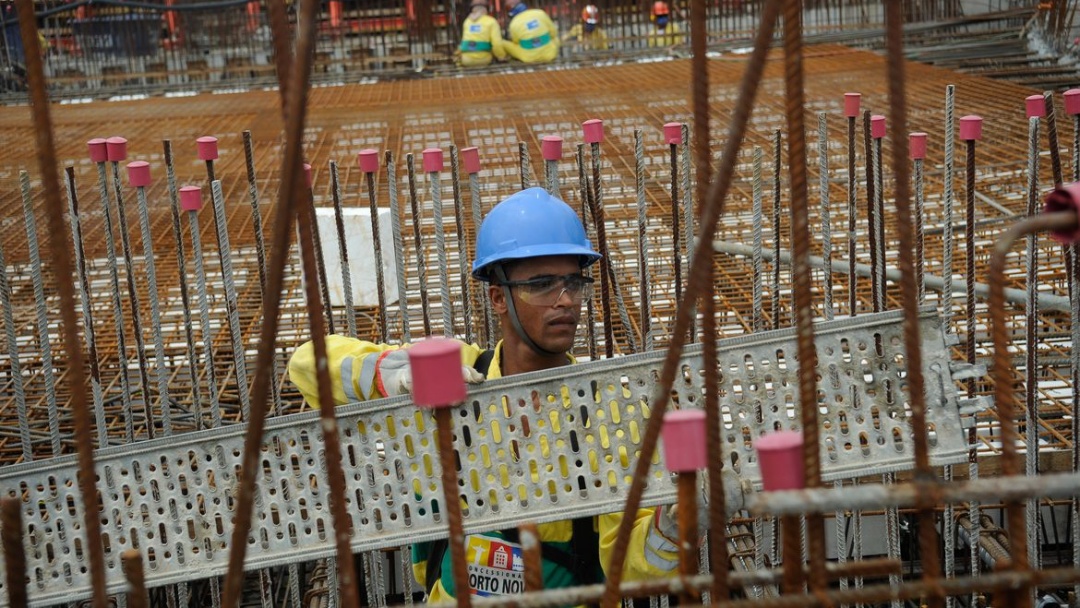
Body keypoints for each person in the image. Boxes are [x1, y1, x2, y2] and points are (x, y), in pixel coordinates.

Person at [288, 187, 705, 603]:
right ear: (497, 298)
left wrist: (672, 529)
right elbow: (306, 364)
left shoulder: (609, 409)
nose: (565, 301)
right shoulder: (450, 378)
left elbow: (630, 566)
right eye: (542, 285)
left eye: (574, 283)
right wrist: (393, 376)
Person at [499, 0, 559, 64]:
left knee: (502, 43)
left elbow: (516, 41)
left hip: (529, 57)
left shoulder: (513, 23)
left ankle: (504, 59)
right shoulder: (540, 13)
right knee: (555, 38)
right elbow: (554, 33)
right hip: (550, 54)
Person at [458, 0, 507, 67]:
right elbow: (497, 44)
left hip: (466, 59)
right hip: (484, 59)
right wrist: (501, 57)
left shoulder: (467, 21)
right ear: (486, 9)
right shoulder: (491, 21)